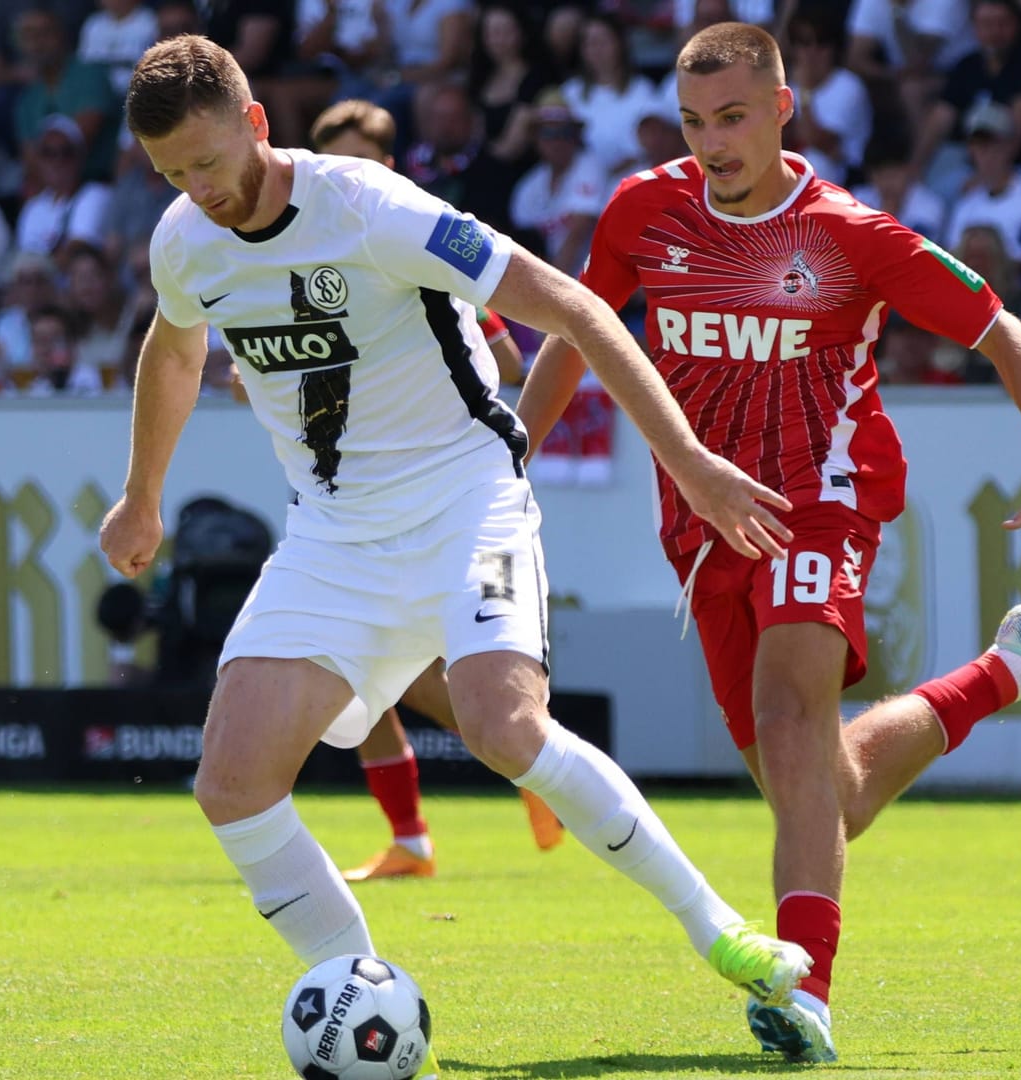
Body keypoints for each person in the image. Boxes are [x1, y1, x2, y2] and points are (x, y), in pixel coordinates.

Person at [96, 38, 815, 1074]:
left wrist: (691, 461)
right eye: (173, 175)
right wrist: (143, 493)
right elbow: (175, 346)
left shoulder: (373, 207)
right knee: (231, 783)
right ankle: (362, 999)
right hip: (332, 534)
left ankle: (720, 932)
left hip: (464, 503)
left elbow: (574, 306)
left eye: (210, 163)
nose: (199, 192)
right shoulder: (184, 241)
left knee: (501, 724)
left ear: (256, 123)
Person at [517, 22, 1021, 1063]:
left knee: (794, 723)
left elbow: (1003, 332)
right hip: (704, 523)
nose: (714, 142)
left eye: (736, 117)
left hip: (821, 500)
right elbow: (581, 330)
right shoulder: (639, 210)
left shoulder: (849, 233)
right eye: (696, 121)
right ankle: (1005, 671)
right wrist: (506, 455)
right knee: (825, 792)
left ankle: (807, 999)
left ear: (784, 108)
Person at [305, 97, 559, 878]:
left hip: (451, 498)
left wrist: (454, 335)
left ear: (388, 168)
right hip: (352, 498)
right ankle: (413, 837)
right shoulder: (300, 264)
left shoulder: (421, 253)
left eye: (363, 159)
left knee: (436, 673)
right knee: (353, 668)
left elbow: (512, 364)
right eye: (333, 160)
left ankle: (534, 760)